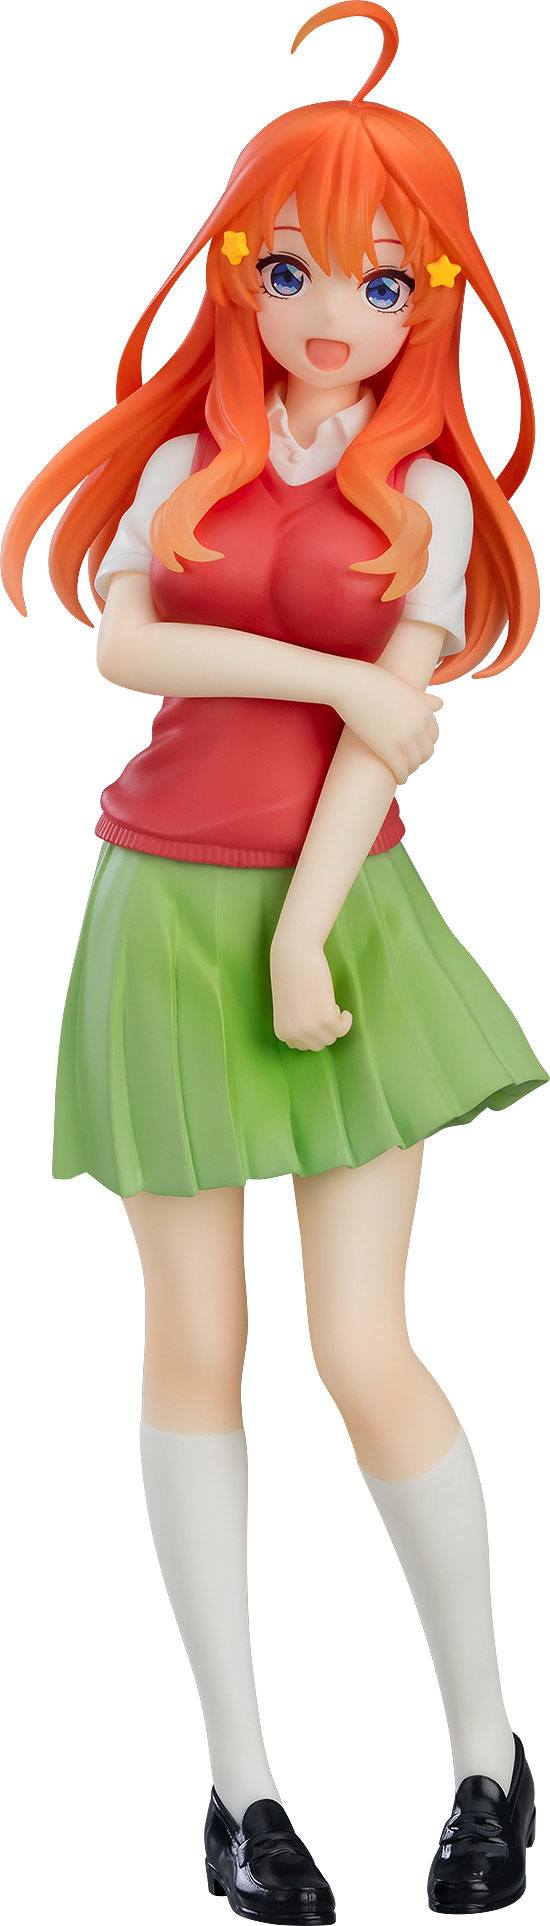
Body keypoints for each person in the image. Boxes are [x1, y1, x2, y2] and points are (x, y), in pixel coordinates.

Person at [2, 3, 546, 1915]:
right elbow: (125, 648)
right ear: (237, 265)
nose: (333, 311)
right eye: (295, 265)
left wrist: (310, 930)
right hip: (160, 915)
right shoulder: (188, 463)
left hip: (342, 922)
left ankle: (486, 1750)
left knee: (360, 1345)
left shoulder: (437, 505)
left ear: (434, 297)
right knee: (192, 1346)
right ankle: (240, 1790)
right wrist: (330, 678)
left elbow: (383, 757)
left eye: (383, 279)